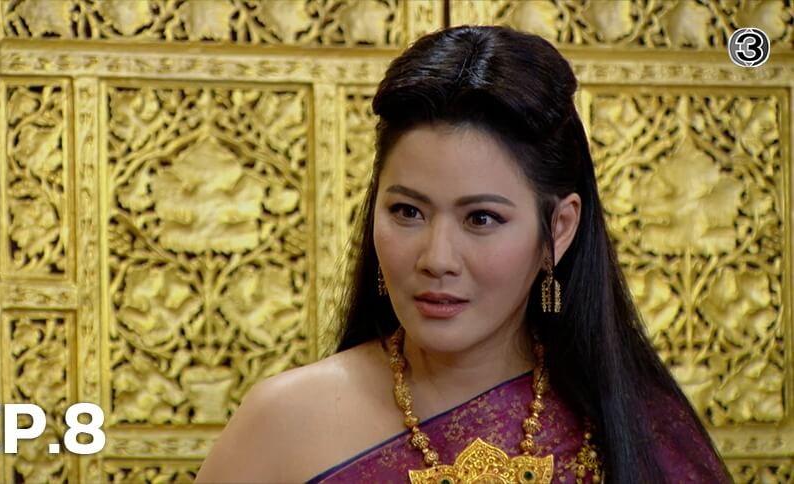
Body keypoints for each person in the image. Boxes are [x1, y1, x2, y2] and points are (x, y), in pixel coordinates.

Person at [196, 25, 731, 483]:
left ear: (560, 227)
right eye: (407, 211)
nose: (437, 257)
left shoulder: (638, 431)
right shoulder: (282, 425)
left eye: (481, 219)